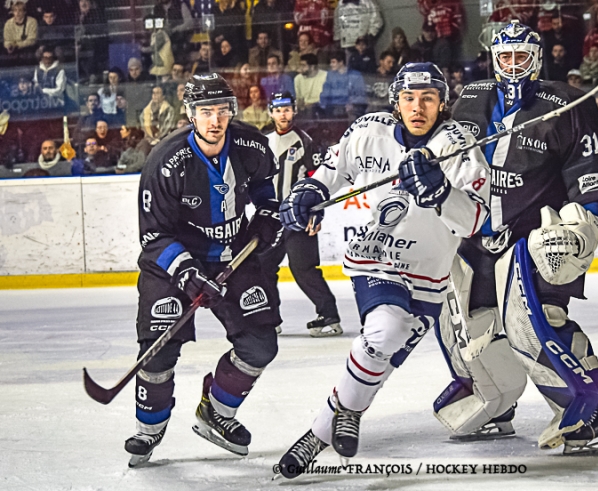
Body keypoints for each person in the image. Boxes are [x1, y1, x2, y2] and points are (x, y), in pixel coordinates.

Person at [276, 62, 489, 478]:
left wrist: (441, 192)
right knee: (385, 332)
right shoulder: (369, 131)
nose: (418, 106)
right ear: (396, 102)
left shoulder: (459, 147)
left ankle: (320, 430)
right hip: (376, 257)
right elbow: (332, 172)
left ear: (443, 103)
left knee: (380, 361)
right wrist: (310, 190)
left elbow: (474, 222)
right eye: (409, 98)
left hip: (429, 276)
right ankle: (345, 415)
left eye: (428, 98)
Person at [433, 20, 598, 455]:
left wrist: (585, 223)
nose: (514, 65)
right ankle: (492, 401)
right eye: (506, 57)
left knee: (536, 323)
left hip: (535, 236)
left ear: (536, 60)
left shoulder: (565, 103)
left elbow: (590, 165)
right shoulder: (472, 99)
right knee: (463, 321)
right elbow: (443, 152)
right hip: (477, 233)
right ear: (494, 60)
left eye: (522, 57)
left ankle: (594, 411)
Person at [122, 73, 284, 467]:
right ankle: (149, 430)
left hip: (233, 255)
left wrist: (265, 214)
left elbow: (264, 185)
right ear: (190, 114)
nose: (215, 120)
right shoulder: (165, 162)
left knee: (261, 344)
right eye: (205, 111)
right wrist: (188, 273)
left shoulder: (250, 144)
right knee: (158, 350)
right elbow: (154, 236)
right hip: (175, 263)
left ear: (232, 111)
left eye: (222, 110)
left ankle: (217, 413)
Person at [261, 91, 342, 337]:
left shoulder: (305, 141)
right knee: (263, 267)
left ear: (294, 110)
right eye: (278, 109)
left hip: (298, 216)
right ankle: (269, 319)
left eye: (287, 109)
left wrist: (316, 214)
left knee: (302, 268)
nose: (283, 114)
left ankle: (329, 317)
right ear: (271, 112)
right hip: (271, 217)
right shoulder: (263, 142)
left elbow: (318, 181)